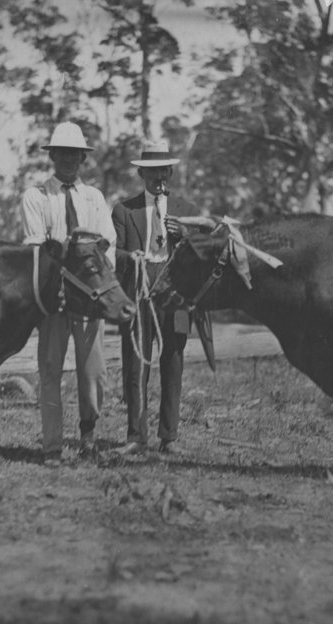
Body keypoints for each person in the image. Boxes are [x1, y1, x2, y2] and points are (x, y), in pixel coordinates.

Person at [21, 122, 117, 462]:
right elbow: (36, 247)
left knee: (94, 373)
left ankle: (88, 436)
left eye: (74, 154)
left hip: (88, 298)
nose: (67, 160)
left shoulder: (93, 197)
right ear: (52, 156)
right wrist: (62, 248)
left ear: (82, 157)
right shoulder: (37, 196)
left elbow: (107, 246)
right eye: (61, 153)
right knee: (50, 370)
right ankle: (52, 445)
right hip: (53, 298)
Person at [113, 140, 201, 457]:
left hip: (174, 293)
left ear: (170, 172)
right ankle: (137, 436)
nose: (157, 177)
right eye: (151, 171)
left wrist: (187, 236)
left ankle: (170, 437)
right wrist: (130, 257)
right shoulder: (124, 210)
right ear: (141, 173)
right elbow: (113, 253)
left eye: (163, 170)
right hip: (138, 292)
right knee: (137, 367)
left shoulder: (187, 212)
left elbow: (201, 253)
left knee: (173, 364)